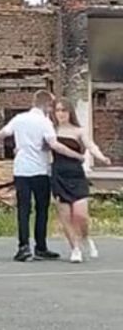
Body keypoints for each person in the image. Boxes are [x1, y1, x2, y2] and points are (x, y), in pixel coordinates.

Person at [0, 90, 79, 262]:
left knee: (23, 210)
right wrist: (75, 155)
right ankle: (40, 246)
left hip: (21, 170)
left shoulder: (19, 119)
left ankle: (23, 247)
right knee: (41, 209)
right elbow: (53, 144)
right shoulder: (45, 122)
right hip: (40, 171)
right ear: (47, 105)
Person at [50, 98, 111, 263]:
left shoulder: (79, 131)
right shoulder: (50, 130)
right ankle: (75, 248)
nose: (61, 114)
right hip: (58, 175)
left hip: (76, 175)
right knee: (65, 216)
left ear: (70, 112)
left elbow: (91, 146)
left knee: (80, 215)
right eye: (57, 110)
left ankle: (85, 237)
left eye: (64, 110)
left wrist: (102, 157)